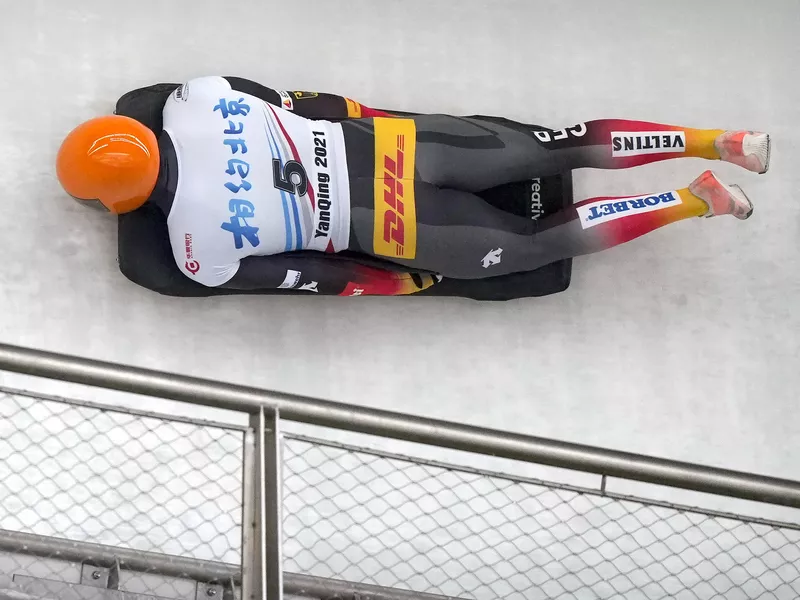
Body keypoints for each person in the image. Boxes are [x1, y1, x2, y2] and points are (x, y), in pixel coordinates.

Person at [56, 76, 770, 296]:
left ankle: (695, 198)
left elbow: (310, 277)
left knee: (532, 246)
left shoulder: (193, 248)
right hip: (396, 144)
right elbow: (308, 102)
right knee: (551, 144)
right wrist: (371, 116)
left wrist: (397, 285)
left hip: (388, 223)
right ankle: (720, 140)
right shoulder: (196, 99)